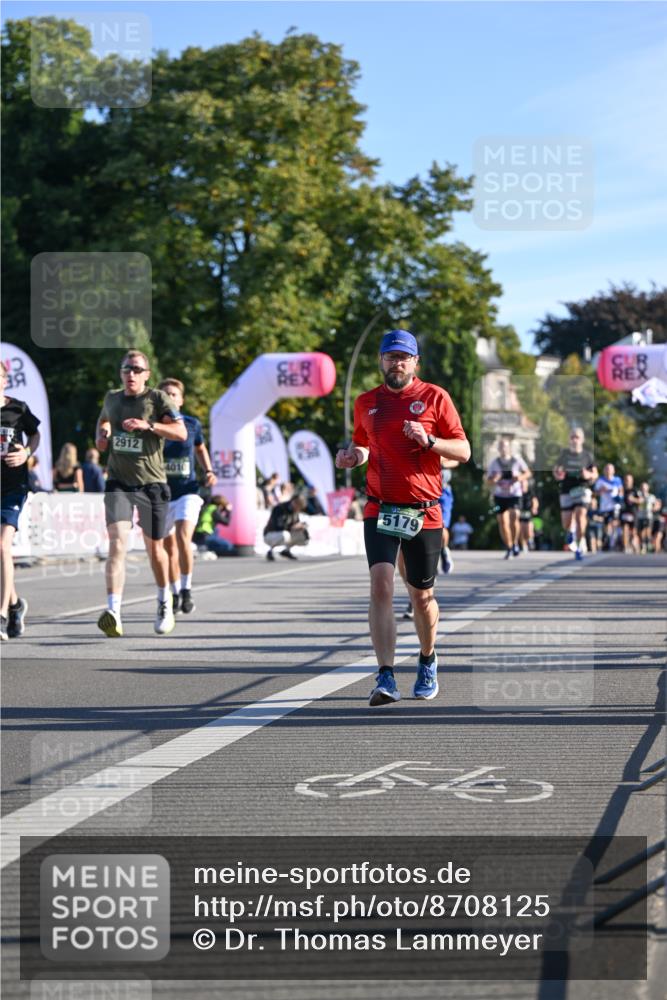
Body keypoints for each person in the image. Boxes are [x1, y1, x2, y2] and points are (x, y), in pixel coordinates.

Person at [335, 329, 470, 706]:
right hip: (380, 506)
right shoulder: (366, 403)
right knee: (381, 585)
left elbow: (463, 450)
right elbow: (362, 443)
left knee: (422, 595)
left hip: (423, 511)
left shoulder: (434, 397)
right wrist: (351, 456)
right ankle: (386, 675)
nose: (397, 363)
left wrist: (428, 441)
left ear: (415, 363)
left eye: (404, 357)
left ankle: (428, 659)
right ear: (380, 360)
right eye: (390, 356)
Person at [95, 349, 186, 637]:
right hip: (118, 482)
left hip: (152, 483)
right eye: (126, 369)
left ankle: (164, 600)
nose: (130, 374)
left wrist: (149, 425)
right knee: (117, 543)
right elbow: (103, 421)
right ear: (120, 373)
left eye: (136, 369)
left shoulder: (158, 399)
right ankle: (114, 611)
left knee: (154, 549)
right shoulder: (111, 398)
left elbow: (181, 432)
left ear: (147, 375)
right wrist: (103, 435)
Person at [158, 378, 217, 613]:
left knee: (184, 536)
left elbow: (200, 448)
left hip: (188, 490)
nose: (169, 398)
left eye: (173, 394)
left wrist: (209, 470)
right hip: (161, 494)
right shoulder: (152, 426)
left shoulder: (192, 424)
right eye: (165, 394)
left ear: (181, 400)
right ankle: (173, 593)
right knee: (169, 549)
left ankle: (187, 589)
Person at [1, 359, 40, 641]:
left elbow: (35, 433)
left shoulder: (18, 408)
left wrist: (27, 453)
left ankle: (1, 614)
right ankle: (15, 605)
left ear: (4, 381)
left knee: (2, 544)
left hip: (13, 487)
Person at [400, 457, 457, 621]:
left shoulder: (437, 432)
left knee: (442, 528)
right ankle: (413, 595)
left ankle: (443, 550)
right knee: (402, 554)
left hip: (439, 493)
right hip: (408, 494)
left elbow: (458, 457)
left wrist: (438, 457)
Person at [552, 427, 598, 561]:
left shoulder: (587, 456)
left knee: (580, 515)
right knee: (566, 522)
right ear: (569, 440)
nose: (574, 440)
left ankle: (580, 543)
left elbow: (595, 474)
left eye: (577, 437)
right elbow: (556, 471)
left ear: (582, 440)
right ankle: (571, 531)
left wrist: (587, 474)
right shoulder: (564, 455)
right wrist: (558, 475)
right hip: (567, 489)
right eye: (572, 437)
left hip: (582, 488)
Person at [486, 438, 531, 558]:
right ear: (498, 449)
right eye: (501, 446)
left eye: (505, 446)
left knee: (514, 516)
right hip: (500, 495)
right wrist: (494, 480)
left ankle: (515, 542)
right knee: (502, 521)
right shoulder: (494, 463)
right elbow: (488, 480)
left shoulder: (517, 460)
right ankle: (509, 546)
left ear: (509, 448)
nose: (503, 448)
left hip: (514, 494)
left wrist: (519, 478)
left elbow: (528, 473)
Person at [263, 494, 309, 560]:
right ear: (294, 502)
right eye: (299, 506)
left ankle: (286, 551)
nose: (299, 509)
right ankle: (270, 551)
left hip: (285, 532)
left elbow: (296, 523)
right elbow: (278, 526)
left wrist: (301, 526)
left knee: (303, 536)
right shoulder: (279, 508)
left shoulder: (295, 511)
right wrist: (293, 527)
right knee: (285, 535)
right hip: (270, 534)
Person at [594, 463, 623, 551]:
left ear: (613, 470)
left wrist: (620, 497)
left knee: (614, 522)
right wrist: (602, 490)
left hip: (615, 506)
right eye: (606, 469)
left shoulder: (617, 480)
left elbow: (621, 490)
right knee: (606, 525)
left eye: (610, 469)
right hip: (605, 506)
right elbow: (595, 493)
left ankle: (615, 540)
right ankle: (608, 540)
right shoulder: (600, 480)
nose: (608, 471)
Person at [636, 481, 660, 555]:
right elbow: (631, 500)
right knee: (640, 532)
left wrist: (655, 508)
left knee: (647, 530)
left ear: (647, 488)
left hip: (648, 516)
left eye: (645, 487)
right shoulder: (638, 495)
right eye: (642, 487)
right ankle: (643, 545)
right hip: (640, 516)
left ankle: (648, 543)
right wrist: (637, 500)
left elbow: (657, 504)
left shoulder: (651, 496)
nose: (644, 489)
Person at [620, 473, 641, 553]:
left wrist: (633, 499)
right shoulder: (622, 489)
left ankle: (636, 547)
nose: (627, 481)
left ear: (632, 481)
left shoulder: (635, 490)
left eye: (629, 480)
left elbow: (640, 500)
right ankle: (625, 547)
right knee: (624, 529)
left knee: (633, 532)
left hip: (633, 512)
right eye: (626, 480)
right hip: (624, 512)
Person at [519, 482, 539, 552]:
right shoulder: (518, 492)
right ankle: (524, 546)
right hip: (520, 514)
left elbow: (535, 500)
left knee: (528, 530)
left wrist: (534, 508)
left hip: (528, 513)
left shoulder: (530, 493)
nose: (522, 485)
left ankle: (530, 540)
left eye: (523, 484)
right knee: (521, 530)